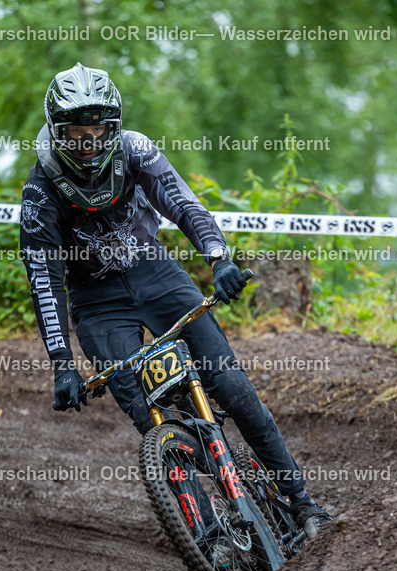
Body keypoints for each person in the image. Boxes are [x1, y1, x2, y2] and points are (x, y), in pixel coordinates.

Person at [18, 62, 330, 534]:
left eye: (99, 130)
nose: (91, 142)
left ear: (114, 126)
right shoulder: (40, 192)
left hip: (157, 274)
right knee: (152, 418)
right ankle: (209, 535)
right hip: (97, 303)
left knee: (233, 389)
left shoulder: (136, 150)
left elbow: (183, 203)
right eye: (78, 132)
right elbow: (45, 280)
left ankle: (303, 503)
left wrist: (218, 258)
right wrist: (62, 363)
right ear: (57, 131)